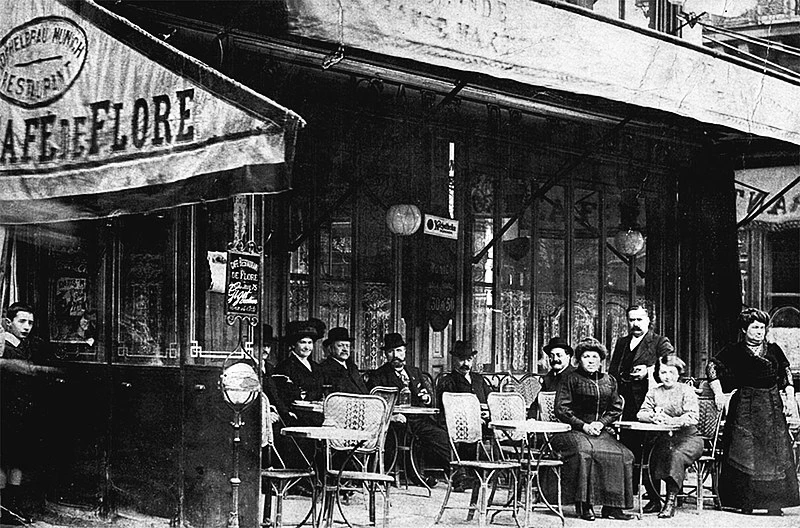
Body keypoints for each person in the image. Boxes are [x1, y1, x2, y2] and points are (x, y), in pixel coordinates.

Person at [706, 308, 800, 516]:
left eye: (762, 327)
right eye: (755, 327)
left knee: (773, 454)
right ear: (744, 329)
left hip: (771, 406)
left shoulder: (774, 349)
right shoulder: (734, 350)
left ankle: (774, 504)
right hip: (744, 407)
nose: (759, 331)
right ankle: (745, 502)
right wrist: (718, 394)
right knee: (745, 452)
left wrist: (790, 399)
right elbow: (712, 367)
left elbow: (786, 374)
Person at [553, 337, 635, 521]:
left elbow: (615, 408)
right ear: (579, 360)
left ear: (601, 360)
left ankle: (612, 507)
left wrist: (602, 423)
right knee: (585, 452)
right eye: (586, 356)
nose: (591, 360)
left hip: (599, 430)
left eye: (595, 357)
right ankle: (584, 505)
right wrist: (583, 425)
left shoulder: (609, 380)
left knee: (625, 455)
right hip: (571, 429)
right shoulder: (570, 378)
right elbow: (561, 408)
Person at [608, 301, 674, 504]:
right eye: (631, 320)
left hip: (650, 404)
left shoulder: (659, 342)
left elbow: (672, 366)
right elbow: (612, 372)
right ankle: (628, 495)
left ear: (648, 320)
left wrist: (649, 370)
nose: (635, 324)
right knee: (629, 447)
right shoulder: (621, 342)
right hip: (625, 404)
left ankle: (655, 497)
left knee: (650, 450)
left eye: (639, 319)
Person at [0, 302, 59, 525]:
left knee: (17, 458)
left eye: (30, 323)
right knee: (4, 458)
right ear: (9, 322)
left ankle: (12, 505)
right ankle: (5, 507)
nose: (26, 327)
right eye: (21, 321)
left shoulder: (28, 346)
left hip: (21, 410)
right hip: (4, 408)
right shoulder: (3, 345)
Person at [367, 332, 450, 486]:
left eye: (398, 350)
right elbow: (375, 404)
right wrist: (393, 415)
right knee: (408, 436)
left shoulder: (415, 372)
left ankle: (456, 475)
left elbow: (429, 398)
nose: (395, 355)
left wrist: (427, 398)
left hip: (419, 419)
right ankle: (416, 476)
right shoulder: (378, 375)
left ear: (405, 352)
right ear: (386, 355)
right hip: (397, 421)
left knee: (441, 435)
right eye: (390, 352)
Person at [635, 355, 703, 518]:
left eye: (672, 372)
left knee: (675, 455)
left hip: (689, 438)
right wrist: (653, 417)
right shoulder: (654, 391)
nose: (667, 376)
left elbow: (693, 417)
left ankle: (670, 502)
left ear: (678, 373)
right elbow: (641, 413)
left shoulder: (686, 390)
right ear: (658, 374)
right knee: (648, 455)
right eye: (663, 372)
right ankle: (654, 500)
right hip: (664, 438)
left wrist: (673, 420)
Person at [529, 336, 575, 418]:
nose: (555, 359)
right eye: (551, 356)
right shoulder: (549, 377)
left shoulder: (575, 376)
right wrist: (531, 418)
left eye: (559, 355)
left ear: (568, 357)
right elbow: (537, 401)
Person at [318, 327, 368, 395]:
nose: (345, 349)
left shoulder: (353, 368)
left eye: (347, 346)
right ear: (330, 348)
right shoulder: (324, 368)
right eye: (340, 346)